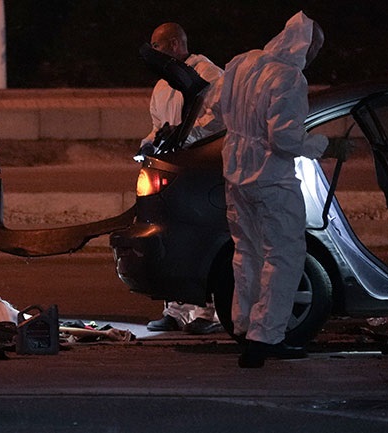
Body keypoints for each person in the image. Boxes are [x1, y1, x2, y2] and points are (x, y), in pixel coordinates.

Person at [218, 11, 352, 368]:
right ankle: (265, 338)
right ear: (304, 45)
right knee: (284, 256)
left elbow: (216, 108)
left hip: (235, 176)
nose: (313, 56)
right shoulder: (289, 77)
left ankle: (245, 327)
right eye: (314, 49)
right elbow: (285, 139)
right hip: (271, 179)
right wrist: (327, 146)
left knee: (247, 252)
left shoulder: (243, 63)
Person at [140, 22, 224, 335]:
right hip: (172, 172)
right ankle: (175, 310)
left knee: (202, 237)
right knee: (174, 238)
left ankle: (208, 312)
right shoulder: (163, 85)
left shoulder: (209, 75)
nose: (155, 55)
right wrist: (149, 144)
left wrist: (183, 138)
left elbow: (217, 121)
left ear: (175, 44)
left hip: (201, 171)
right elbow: (158, 125)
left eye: (158, 47)